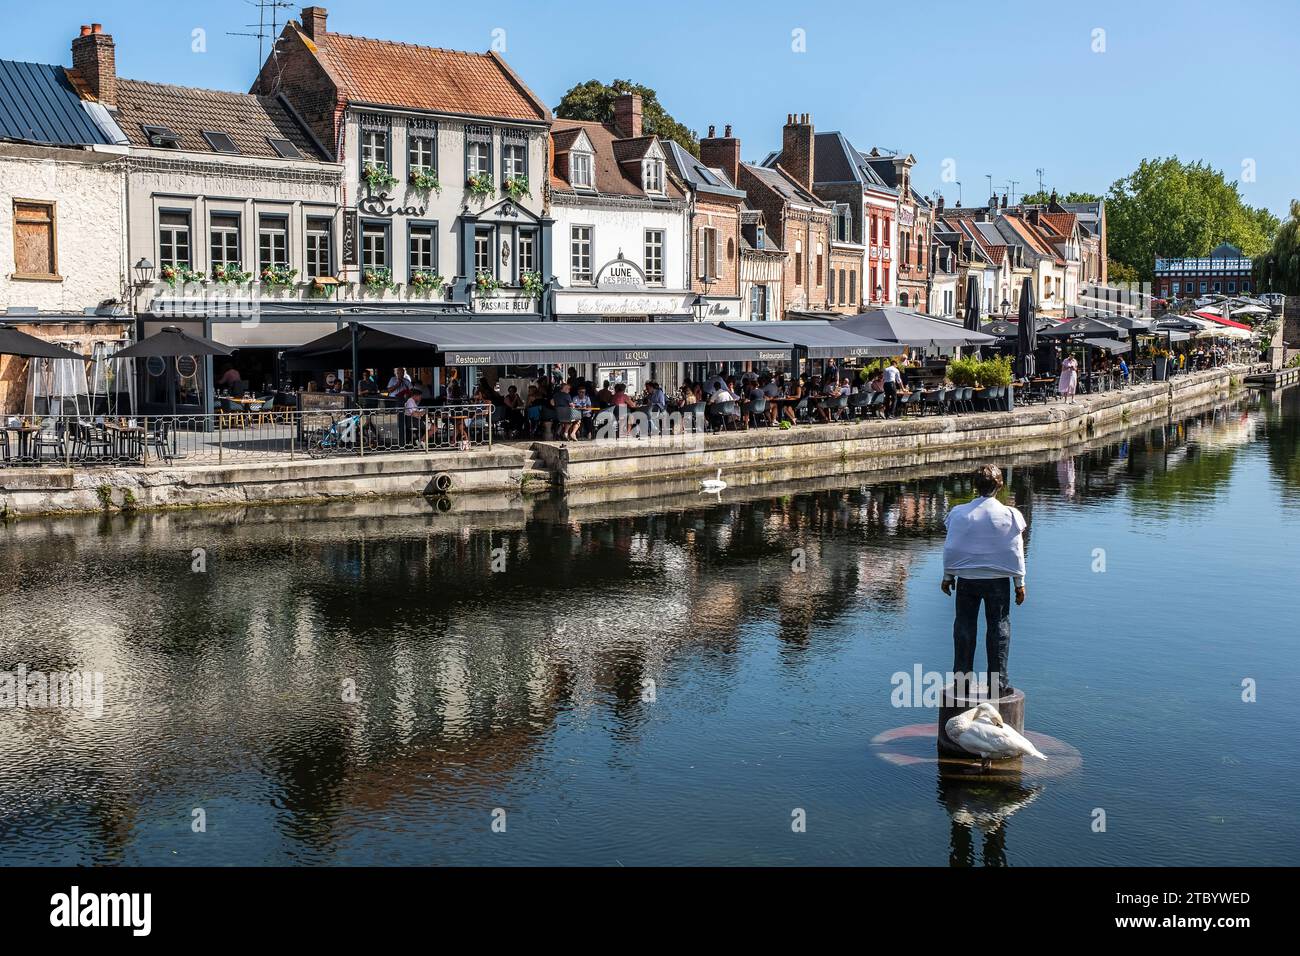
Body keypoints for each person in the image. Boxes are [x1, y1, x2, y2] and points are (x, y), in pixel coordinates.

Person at [941, 465, 1027, 700]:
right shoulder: (1010, 515)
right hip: (998, 580)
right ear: (1000, 485)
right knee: (999, 628)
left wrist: (948, 575)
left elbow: (952, 545)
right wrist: (1019, 582)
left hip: (967, 579)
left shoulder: (958, 513)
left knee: (964, 627)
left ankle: (961, 682)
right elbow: (1016, 551)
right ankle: (997, 684)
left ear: (974, 486)